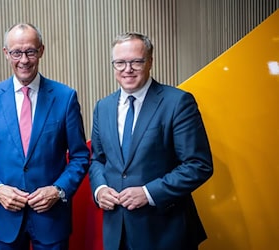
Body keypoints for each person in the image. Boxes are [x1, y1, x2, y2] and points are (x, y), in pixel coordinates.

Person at [0, 23, 90, 250]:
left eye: (30, 51)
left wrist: (58, 189)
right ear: (6, 53)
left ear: (41, 51)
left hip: (51, 218)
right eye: (16, 52)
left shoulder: (65, 97)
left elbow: (80, 157)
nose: (23, 60)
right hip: (6, 218)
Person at [89, 32, 213, 250]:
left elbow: (198, 165)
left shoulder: (177, 102)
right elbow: (97, 160)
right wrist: (100, 189)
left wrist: (149, 193)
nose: (127, 69)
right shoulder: (103, 107)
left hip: (165, 232)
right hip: (117, 231)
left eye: (136, 61)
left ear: (150, 62)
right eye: (120, 63)